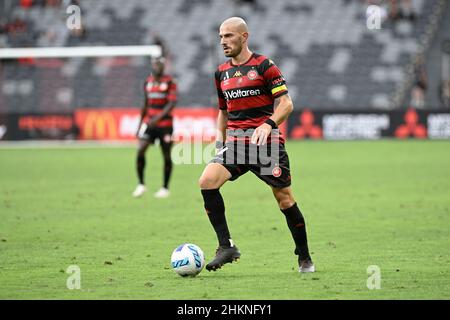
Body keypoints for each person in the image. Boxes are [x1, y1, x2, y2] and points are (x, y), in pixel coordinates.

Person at [199, 17, 314, 272]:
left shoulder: (264, 66)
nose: (223, 42)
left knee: (284, 199)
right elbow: (223, 112)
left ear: (244, 36)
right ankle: (226, 246)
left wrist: (268, 124)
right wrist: (220, 142)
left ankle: (304, 256)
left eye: (229, 36)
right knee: (207, 181)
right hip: (237, 143)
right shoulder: (221, 73)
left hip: (267, 144)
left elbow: (286, 104)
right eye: (220, 37)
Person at [133, 57, 177, 198]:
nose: (157, 67)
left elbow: (171, 104)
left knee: (166, 155)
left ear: (164, 67)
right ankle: (141, 184)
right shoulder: (148, 82)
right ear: (152, 65)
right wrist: (140, 124)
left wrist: (157, 119)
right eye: (155, 64)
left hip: (165, 126)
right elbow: (145, 104)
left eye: (160, 65)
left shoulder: (170, 82)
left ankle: (165, 188)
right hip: (149, 124)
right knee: (140, 150)